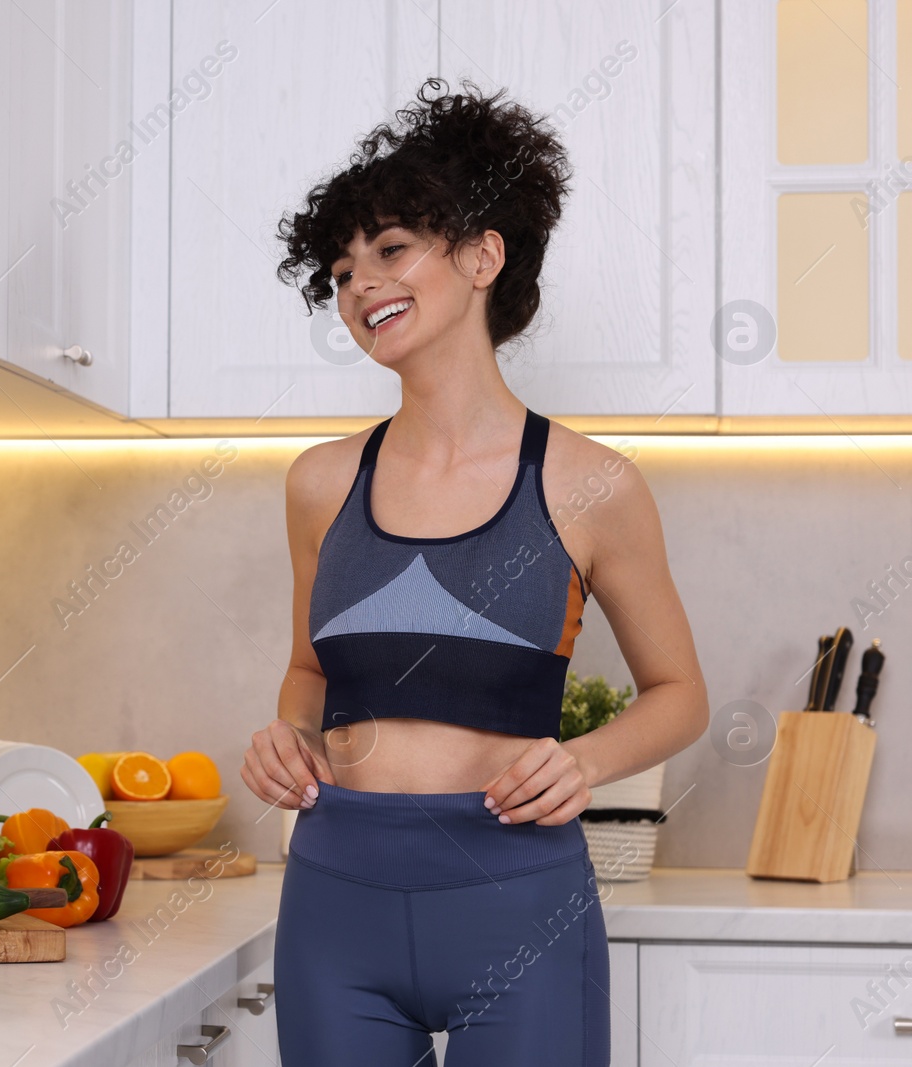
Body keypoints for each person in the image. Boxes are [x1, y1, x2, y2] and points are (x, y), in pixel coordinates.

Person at [245, 78, 708, 1065]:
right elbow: (309, 673)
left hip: (519, 901)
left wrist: (582, 761)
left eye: (391, 248)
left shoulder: (589, 485)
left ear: (481, 255)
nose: (360, 283)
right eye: (339, 268)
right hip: (335, 899)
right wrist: (286, 740)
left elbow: (679, 695)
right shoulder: (320, 483)